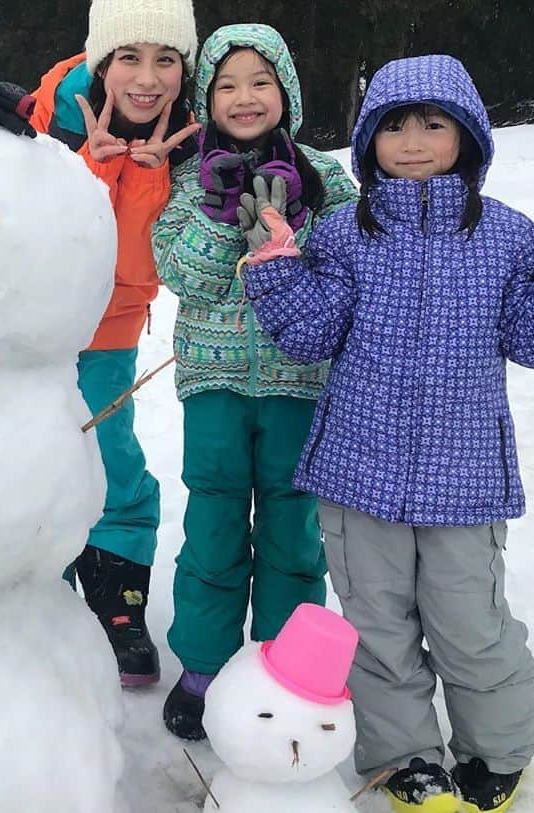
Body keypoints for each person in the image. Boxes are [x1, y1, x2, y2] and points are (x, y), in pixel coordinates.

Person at [238, 54, 534, 813]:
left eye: (434, 124)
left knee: (472, 628)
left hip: (464, 474)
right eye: (394, 126)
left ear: (468, 136)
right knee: (377, 631)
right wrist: (276, 261)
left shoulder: (505, 235)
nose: (413, 141)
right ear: (370, 137)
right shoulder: (346, 232)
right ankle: (406, 757)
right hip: (358, 472)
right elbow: (310, 335)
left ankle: (496, 750)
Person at [150, 22, 357, 740]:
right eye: (227, 85)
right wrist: (214, 215)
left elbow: (351, 272)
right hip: (214, 383)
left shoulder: (326, 177)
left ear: (286, 92)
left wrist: (297, 221)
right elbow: (181, 276)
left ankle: (282, 661)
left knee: (294, 530)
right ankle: (204, 664)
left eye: (260, 82)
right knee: (212, 523)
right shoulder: (185, 180)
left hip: (302, 382)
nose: (244, 97)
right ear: (207, 100)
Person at [28, 0, 201, 687]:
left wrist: (148, 175)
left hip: (111, 328)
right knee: (26, 451)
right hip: (32, 327)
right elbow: (35, 241)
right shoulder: (43, 124)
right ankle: (35, 584)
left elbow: (135, 265)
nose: (147, 78)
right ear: (101, 62)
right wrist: (91, 168)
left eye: (166, 60)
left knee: (112, 456)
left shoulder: (190, 136)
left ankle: (117, 598)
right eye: (129, 57)